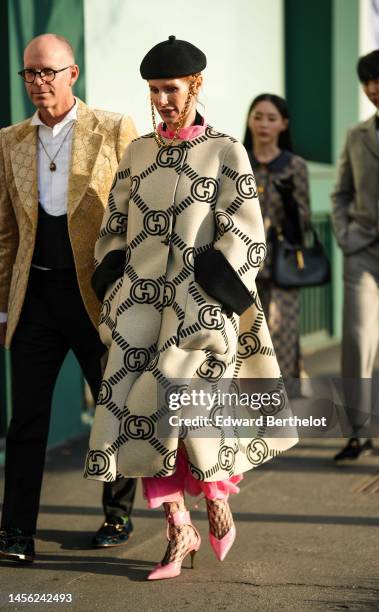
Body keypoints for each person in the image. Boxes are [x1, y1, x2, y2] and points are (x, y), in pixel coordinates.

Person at [85, 35, 297, 580]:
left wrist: (211, 289)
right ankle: (179, 531)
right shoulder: (137, 153)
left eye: (171, 89)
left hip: (199, 312)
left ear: (195, 86)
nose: (161, 100)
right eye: (154, 90)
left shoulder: (226, 149)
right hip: (140, 311)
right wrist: (114, 281)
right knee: (144, 417)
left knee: (193, 409)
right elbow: (114, 226)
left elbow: (246, 228)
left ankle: (215, 493)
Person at [0, 33, 138, 563]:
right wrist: (4, 304)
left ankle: (118, 512)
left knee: (114, 406)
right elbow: (7, 232)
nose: (38, 82)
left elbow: (137, 212)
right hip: (34, 293)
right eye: (29, 73)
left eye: (47, 72)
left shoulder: (112, 127)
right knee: (26, 419)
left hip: (99, 295)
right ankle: (15, 533)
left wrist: (134, 293)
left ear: (72, 74)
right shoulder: (10, 140)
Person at [331, 48, 379, 462]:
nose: (372, 89)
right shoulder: (355, 135)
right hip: (361, 249)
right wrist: (344, 233)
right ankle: (357, 432)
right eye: (366, 82)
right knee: (358, 340)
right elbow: (341, 191)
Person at [244, 94, 311, 380]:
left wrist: (287, 208)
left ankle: (281, 407)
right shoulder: (238, 159)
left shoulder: (294, 166)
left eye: (271, 119)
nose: (263, 125)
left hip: (281, 264)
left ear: (283, 124)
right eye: (258, 117)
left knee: (281, 331)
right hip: (241, 265)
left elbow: (304, 222)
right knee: (244, 335)